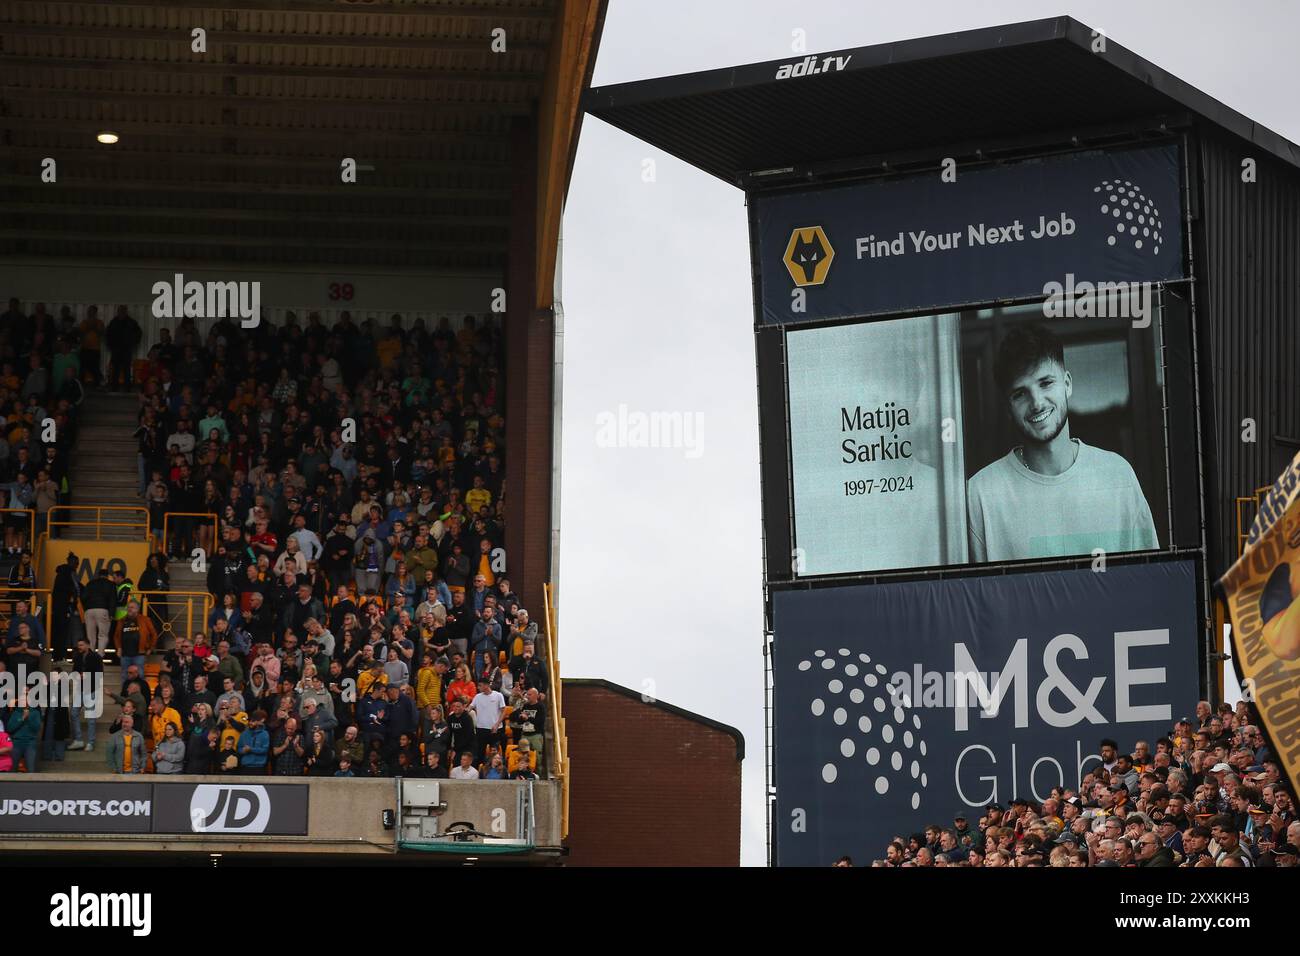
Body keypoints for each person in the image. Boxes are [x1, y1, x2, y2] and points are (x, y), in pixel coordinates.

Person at [966, 325, 1158, 562]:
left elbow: (1147, 581)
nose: (1036, 403)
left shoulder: (1117, 475)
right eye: (1020, 394)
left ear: (1067, 384)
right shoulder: (981, 494)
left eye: (1046, 383)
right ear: (1008, 409)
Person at [112, 600, 157, 679]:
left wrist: (151, 648)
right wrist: (118, 648)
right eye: (128, 607)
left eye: (132, 607)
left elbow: (154, 635)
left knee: (140, 675)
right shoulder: (121, 620)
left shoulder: (145, 620)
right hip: (125, 654)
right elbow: (116, 636)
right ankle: (126, 691)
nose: (129, 609)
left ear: (137, 609)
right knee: (125, 676)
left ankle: (139, 691)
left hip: (139, 654)